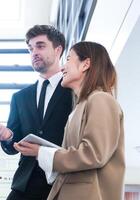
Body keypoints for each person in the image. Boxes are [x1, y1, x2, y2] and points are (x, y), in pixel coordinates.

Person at [14, 41, 125, 200]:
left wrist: (41, 152)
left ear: (85, 64)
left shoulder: (101, 99)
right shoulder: (80, 107)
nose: (62, 68)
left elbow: (93, 154)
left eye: (67, 59)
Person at [0, 25, 73, 199]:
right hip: (25, 185)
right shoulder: (20, 97)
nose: (34, 52)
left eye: (40, 46)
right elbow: (13, 146)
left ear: (58, 50)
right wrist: (8, 136)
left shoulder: (74, 92)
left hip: (62, 183)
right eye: (30, 49)